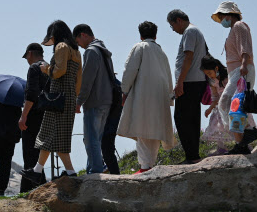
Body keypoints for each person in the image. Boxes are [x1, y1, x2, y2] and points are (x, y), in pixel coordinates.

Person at [21, 20, 83, 185]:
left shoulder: (61, 47)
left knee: (55, 135)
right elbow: (79, 78)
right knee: (49, 134)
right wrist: (74, 97)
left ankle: (70, 173)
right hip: (69, 96)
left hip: (57, 97)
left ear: (55, 35)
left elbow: (59, 71)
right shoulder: (76, 51)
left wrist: (46, 69)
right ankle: (37, 171)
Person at [117, 21, 176, 173]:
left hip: (142, 96)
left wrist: (124, 90)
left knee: (141, 129)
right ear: (156, 35)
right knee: (154, 131)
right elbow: (168, 76)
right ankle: (150, 164)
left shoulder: (140, 47)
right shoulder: (161, 52)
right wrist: (169, 98)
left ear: (141, 34)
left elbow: (129, 70)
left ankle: (144, 166)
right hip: (160, 96)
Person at [210, 2, 257, 154]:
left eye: (221, 17)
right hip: (236, 71)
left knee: (227, 102)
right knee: (235, 106)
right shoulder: (235, 28)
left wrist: (244, 64)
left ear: (228, 14)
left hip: (241, 70)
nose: (221, 20)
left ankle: (247, 132)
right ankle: (242, 142)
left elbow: (244, 47)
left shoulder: (239, 25)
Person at [167, 9, 208, 164]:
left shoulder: (189, 32)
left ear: (178, 20)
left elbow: (188, 57)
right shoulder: (195, 31)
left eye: (172, 26)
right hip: (194, 81)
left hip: (189, 82)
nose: (173, 30)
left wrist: (180, 82)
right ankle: (193, 154)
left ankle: (192, 155)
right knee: (192, 118)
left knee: (182, 118)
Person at [73, 24, 114, 175]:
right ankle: (92, 169)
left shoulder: (91, 51)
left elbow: (87, 80)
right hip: (107, 100)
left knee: (91, 140)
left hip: (94, 101)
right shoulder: (103, 50)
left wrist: (79, 101)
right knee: (96, 138)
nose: (79, 46)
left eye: (78, 41)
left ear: (83, 35)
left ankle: (96, 171)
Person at [18, 43, 48, 192]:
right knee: (40, 154)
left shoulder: (34, 68)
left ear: (29, 54)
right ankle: (39, 187)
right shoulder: (49, 67)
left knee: (29, 154)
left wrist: (23, 116)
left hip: (34, 115)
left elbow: (31, 94)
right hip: (47, 116)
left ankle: (28, 190)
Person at [200, 56, 231, 155]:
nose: (209, 76)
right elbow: (214, 97)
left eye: (209, 73)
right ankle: (221, 147)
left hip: (231, 104)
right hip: (220, 107)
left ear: (216, 68)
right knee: (217, 125)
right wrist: (210, 108)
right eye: (207, 74)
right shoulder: (212, 81)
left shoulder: (228, 74)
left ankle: (243, 144)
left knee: (234, 124)